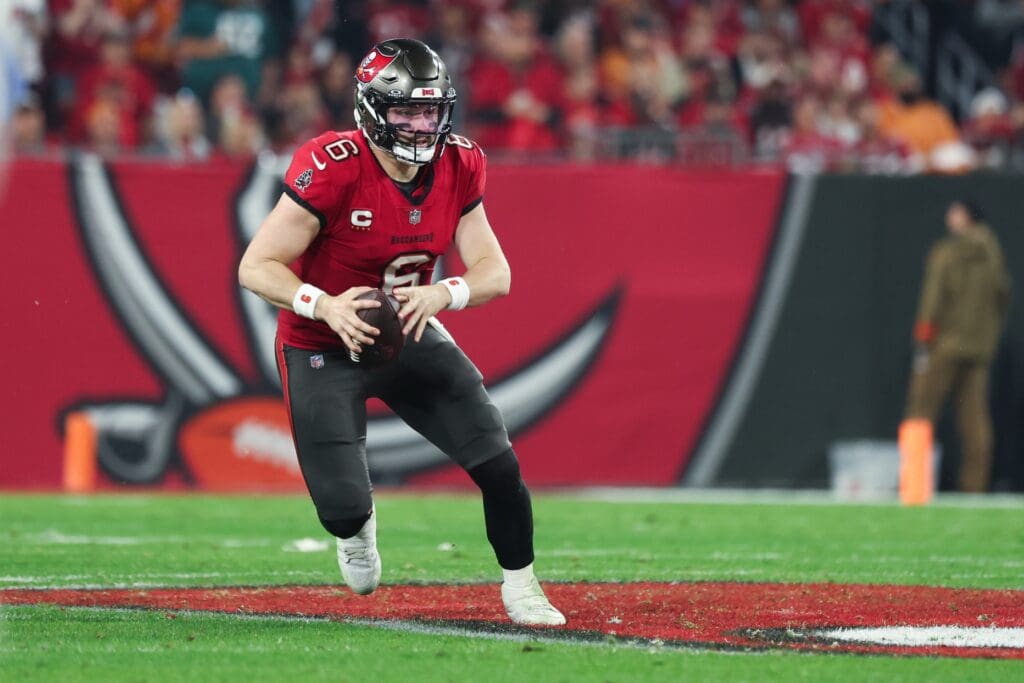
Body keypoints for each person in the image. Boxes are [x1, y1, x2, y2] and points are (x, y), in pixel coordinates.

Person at [238, 38, 565, 626]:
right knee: (340, 508)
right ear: (371, 109)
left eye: (431, 109)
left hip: (410, 332)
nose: (421, 124)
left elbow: (496, 273)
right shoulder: (334, 166)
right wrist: (325, 305)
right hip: (322, 346)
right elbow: (255, 265)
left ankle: (523, 585)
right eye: (406, 110)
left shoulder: (461, 162)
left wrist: (445, 292)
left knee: (498, 464)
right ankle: (355, 528)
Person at [904, 200, 1012, 492]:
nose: (949, 217)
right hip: (978, 351)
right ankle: (973, 490)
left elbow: (932, 300)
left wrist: (923, 341)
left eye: (954, 212)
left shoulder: (947, 253)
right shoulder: (993, 255)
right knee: (975, 426)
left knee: (920, 412)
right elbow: (1003, 298)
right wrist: (987, 339)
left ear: (966, 217)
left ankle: (914, 488)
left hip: (946, 347)